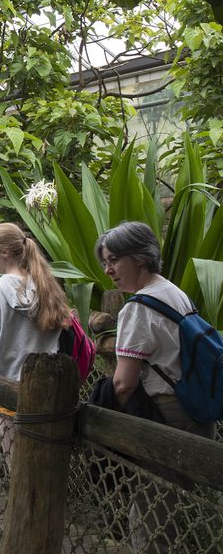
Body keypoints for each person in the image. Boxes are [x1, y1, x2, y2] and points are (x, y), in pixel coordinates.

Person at [95, 221, 215, 553]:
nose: (108, 270)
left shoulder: (139, 306)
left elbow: (122, 382)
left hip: (168, 417)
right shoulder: (173, 292)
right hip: (197, 415)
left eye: (115, 260)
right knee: (168, 509)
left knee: (151, 515)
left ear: (140, 257)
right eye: (106, 261)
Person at [0, 222, 70, 469]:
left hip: (11, 390)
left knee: (17, 467)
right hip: (50, 391)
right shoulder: (48, 287)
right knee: (46, 467)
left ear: (5, 252)